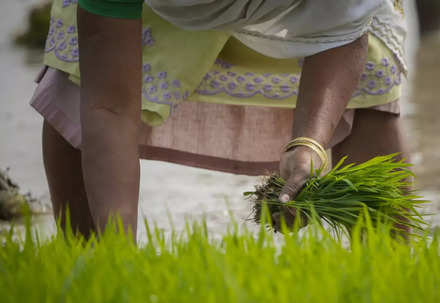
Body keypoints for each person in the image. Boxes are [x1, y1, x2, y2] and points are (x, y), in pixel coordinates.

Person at [30, 0, 408, 238]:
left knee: (371, 77)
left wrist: (307, 146)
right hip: (156, 10)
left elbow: (342, 35)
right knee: (78, 80)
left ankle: (391, 272)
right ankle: (86, 256)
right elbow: (108, 105)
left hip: (308, 12)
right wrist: (117, 256)